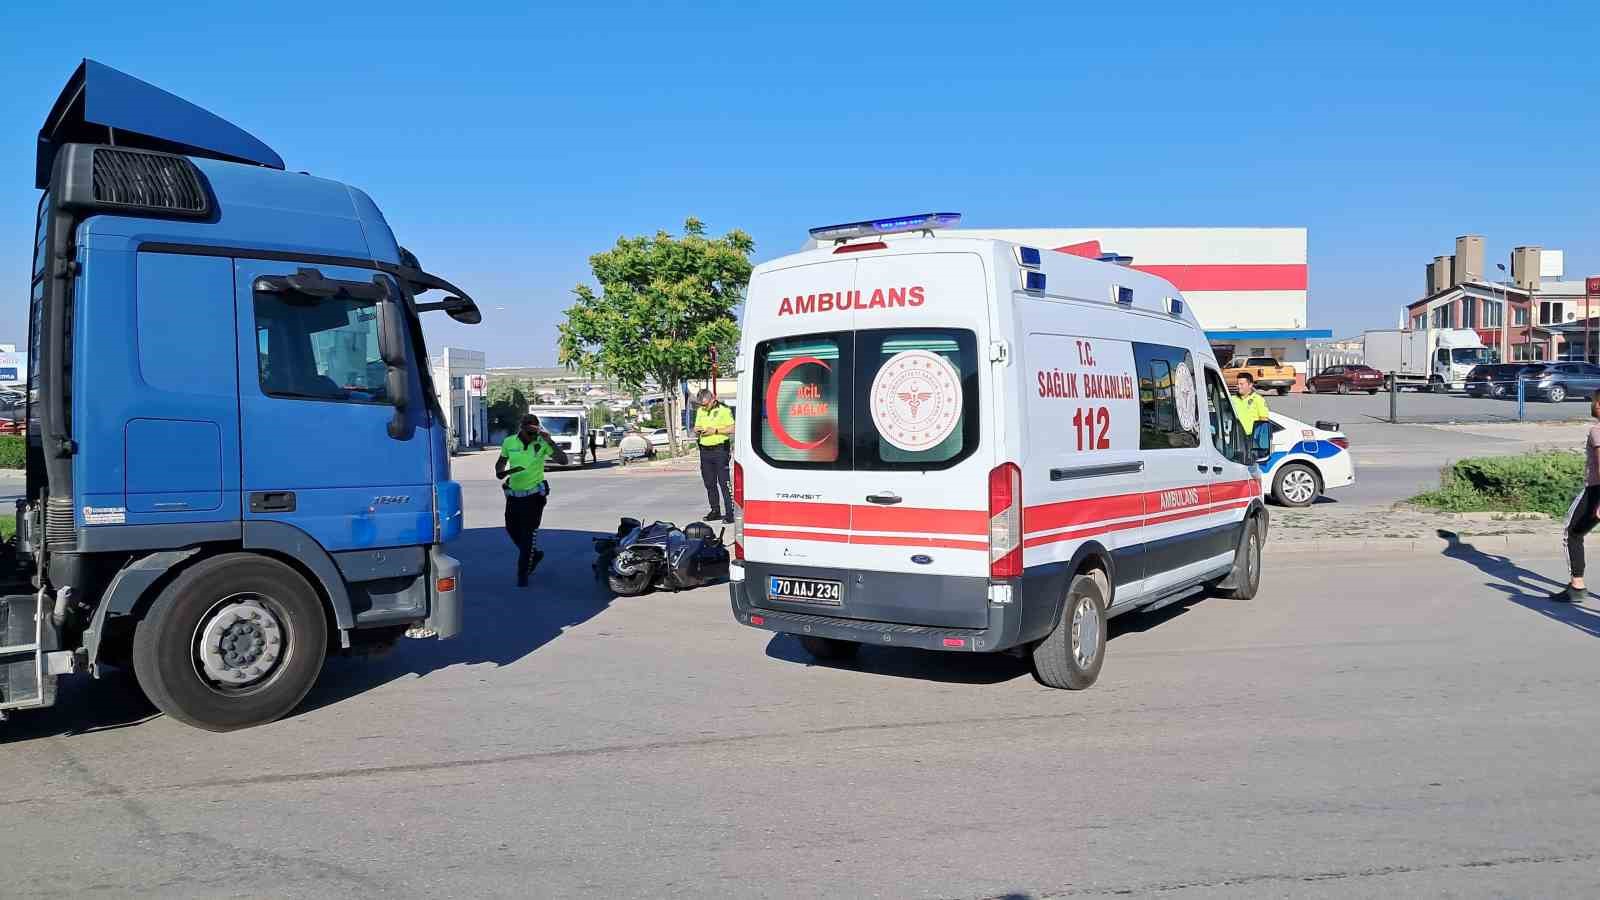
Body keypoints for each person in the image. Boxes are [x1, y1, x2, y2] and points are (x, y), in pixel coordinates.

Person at [496, 414, 568, 587]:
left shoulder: (542, 442)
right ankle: (533, 555)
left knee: (528, 534)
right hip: (513, 496)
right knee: (511, 528)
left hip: (534, 497)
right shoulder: (509, 442)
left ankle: (522, 574)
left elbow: (563, 460)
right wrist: (501, 471)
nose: (531, 434)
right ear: (521, 427)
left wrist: (549, 441)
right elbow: (501, 462)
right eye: (528, 430)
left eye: (534, 430)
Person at [1553, 393, 1600, 603]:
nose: (1593, 405)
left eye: (1595, 401)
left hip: (1596, 491)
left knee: (1572, 533)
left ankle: (1577, 586)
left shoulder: (1597, 431)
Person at [693, 388, 736, 524]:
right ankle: (715, 510)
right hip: (705, 450)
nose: (703, 407)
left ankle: (730, 513)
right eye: (701, 405)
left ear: (712, 399)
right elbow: (697, 427)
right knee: (709, 483)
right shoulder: (701, 411)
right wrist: (697, 430)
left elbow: (733, 428)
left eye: (705, 404)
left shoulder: (724, 410)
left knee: (724, 483)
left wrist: (715, 430)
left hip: (720, 450)